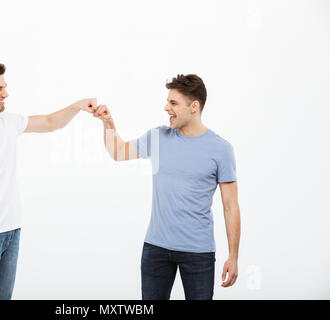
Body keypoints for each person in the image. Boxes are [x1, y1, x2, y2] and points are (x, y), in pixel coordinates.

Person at [0, 61, 96, 300]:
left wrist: (77, 106)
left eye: (5, 87)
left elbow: (49, 123)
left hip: (12, 231)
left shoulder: (7, 122)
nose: (5, 94)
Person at [92, 74, 241, 300]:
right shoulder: (158, 137)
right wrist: (108, 123)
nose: (166, 108)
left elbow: (231, 207)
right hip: (156, 249)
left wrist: (233, 256)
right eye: (167, 101)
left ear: (194, 106)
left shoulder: (221, 149)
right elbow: (117, 152)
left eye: (173, 103)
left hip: (198, 253)